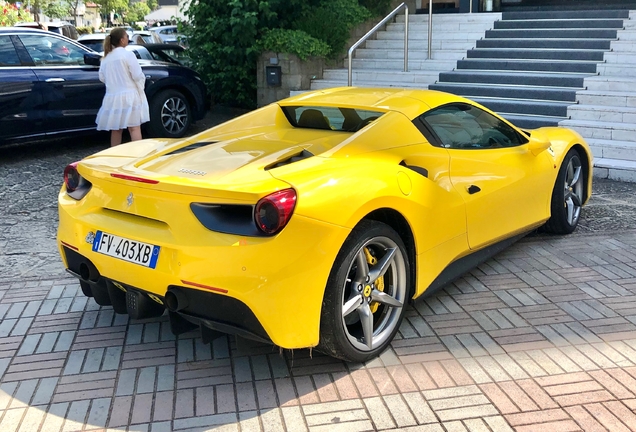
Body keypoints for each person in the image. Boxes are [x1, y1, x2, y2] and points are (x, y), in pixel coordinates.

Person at [95, 27, 149, 147]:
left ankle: (115, 156)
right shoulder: (128, 55)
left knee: (116, 129)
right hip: (130, 95)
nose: (128, 39)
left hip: (112, 97)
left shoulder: (105, 58)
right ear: (122, 40)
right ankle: (138, 155)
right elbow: (137, 75)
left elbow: (102, 78)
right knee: (134, 128)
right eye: (126, 37)